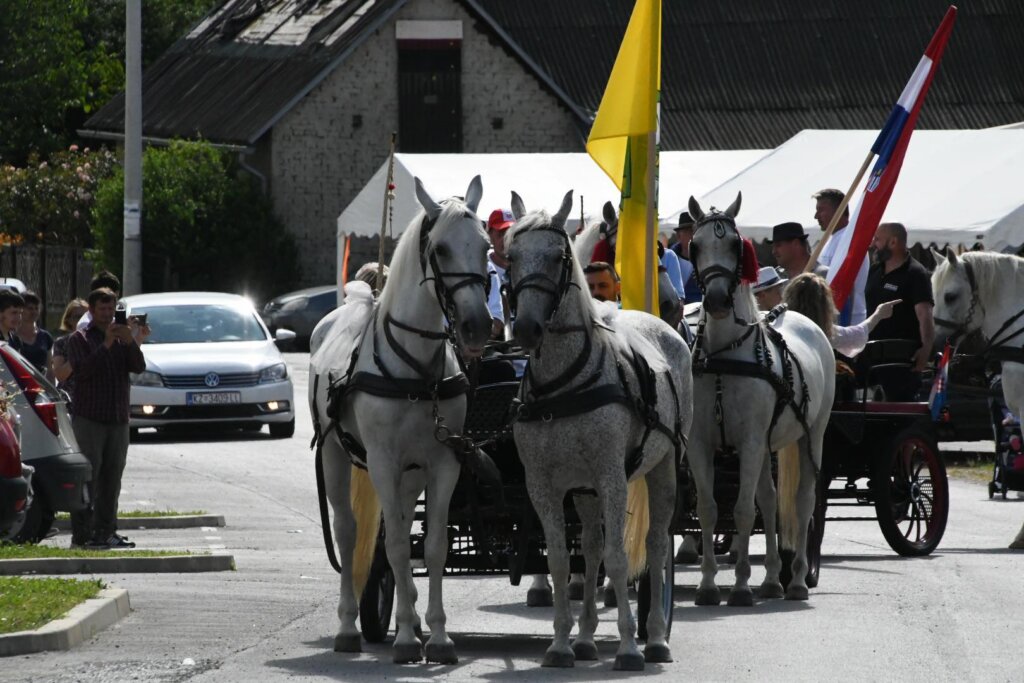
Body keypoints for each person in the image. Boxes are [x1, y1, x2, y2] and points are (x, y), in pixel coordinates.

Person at [67, 288, 150, 549]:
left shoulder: (122, 337)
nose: (107, 314)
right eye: (102, 309)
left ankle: (107, 531)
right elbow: (82, 372)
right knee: (89, 478)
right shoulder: (79, 339)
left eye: (111, 309)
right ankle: (83, 535)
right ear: (92, 311)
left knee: (112, 479)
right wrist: (106, 344)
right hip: (90, 418)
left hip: (118, 418)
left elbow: (138, 367)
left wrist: (132, 341)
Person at [863, 222, 935, 400]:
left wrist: (925, 349)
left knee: (897, 408)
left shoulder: (915, 273)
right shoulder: (874, 271)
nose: (873, 244)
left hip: (900, 360)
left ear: (893, 242)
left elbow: (925, 315)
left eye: (877, 239)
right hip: (871, 357)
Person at [783, 272, 900, 358]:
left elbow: (856, 333)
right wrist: (878, 314)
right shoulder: (824, 333)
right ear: (825, 305)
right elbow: (857, 334)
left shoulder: (778, 324)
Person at [812, 189, 868, 325]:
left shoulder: (849, 241)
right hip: (832, 317)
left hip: (848, 321)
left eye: (821, 210)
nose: (816, 216)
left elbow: (843, 284)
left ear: (838, 210)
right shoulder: (831, 239)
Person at [485, 209, 515, 339]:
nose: (506, 239)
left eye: (510, 233)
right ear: (489, 235)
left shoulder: (526, 269)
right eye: (501, 233)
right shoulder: (482, 268)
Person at [51, 298, 89, 398]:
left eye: (86, 316)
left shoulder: (98, 341)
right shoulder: (61, 343)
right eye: (78, 317)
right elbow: (60, 376)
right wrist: (76, 353)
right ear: (69, 320)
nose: (82, 320)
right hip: (70, 398)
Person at [15, 291, 53, 373]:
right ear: (20, 310)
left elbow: (50, 370)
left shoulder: (45, 337)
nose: (34, 312)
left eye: (36, 308)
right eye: (30, 308)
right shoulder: (11, 336)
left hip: (40, 380)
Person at [671, 212, 702, 303]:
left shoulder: (706, 261)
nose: (693, 235)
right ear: (678, 236)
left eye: (696, 231)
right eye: (688, 231)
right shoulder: (668, 259)